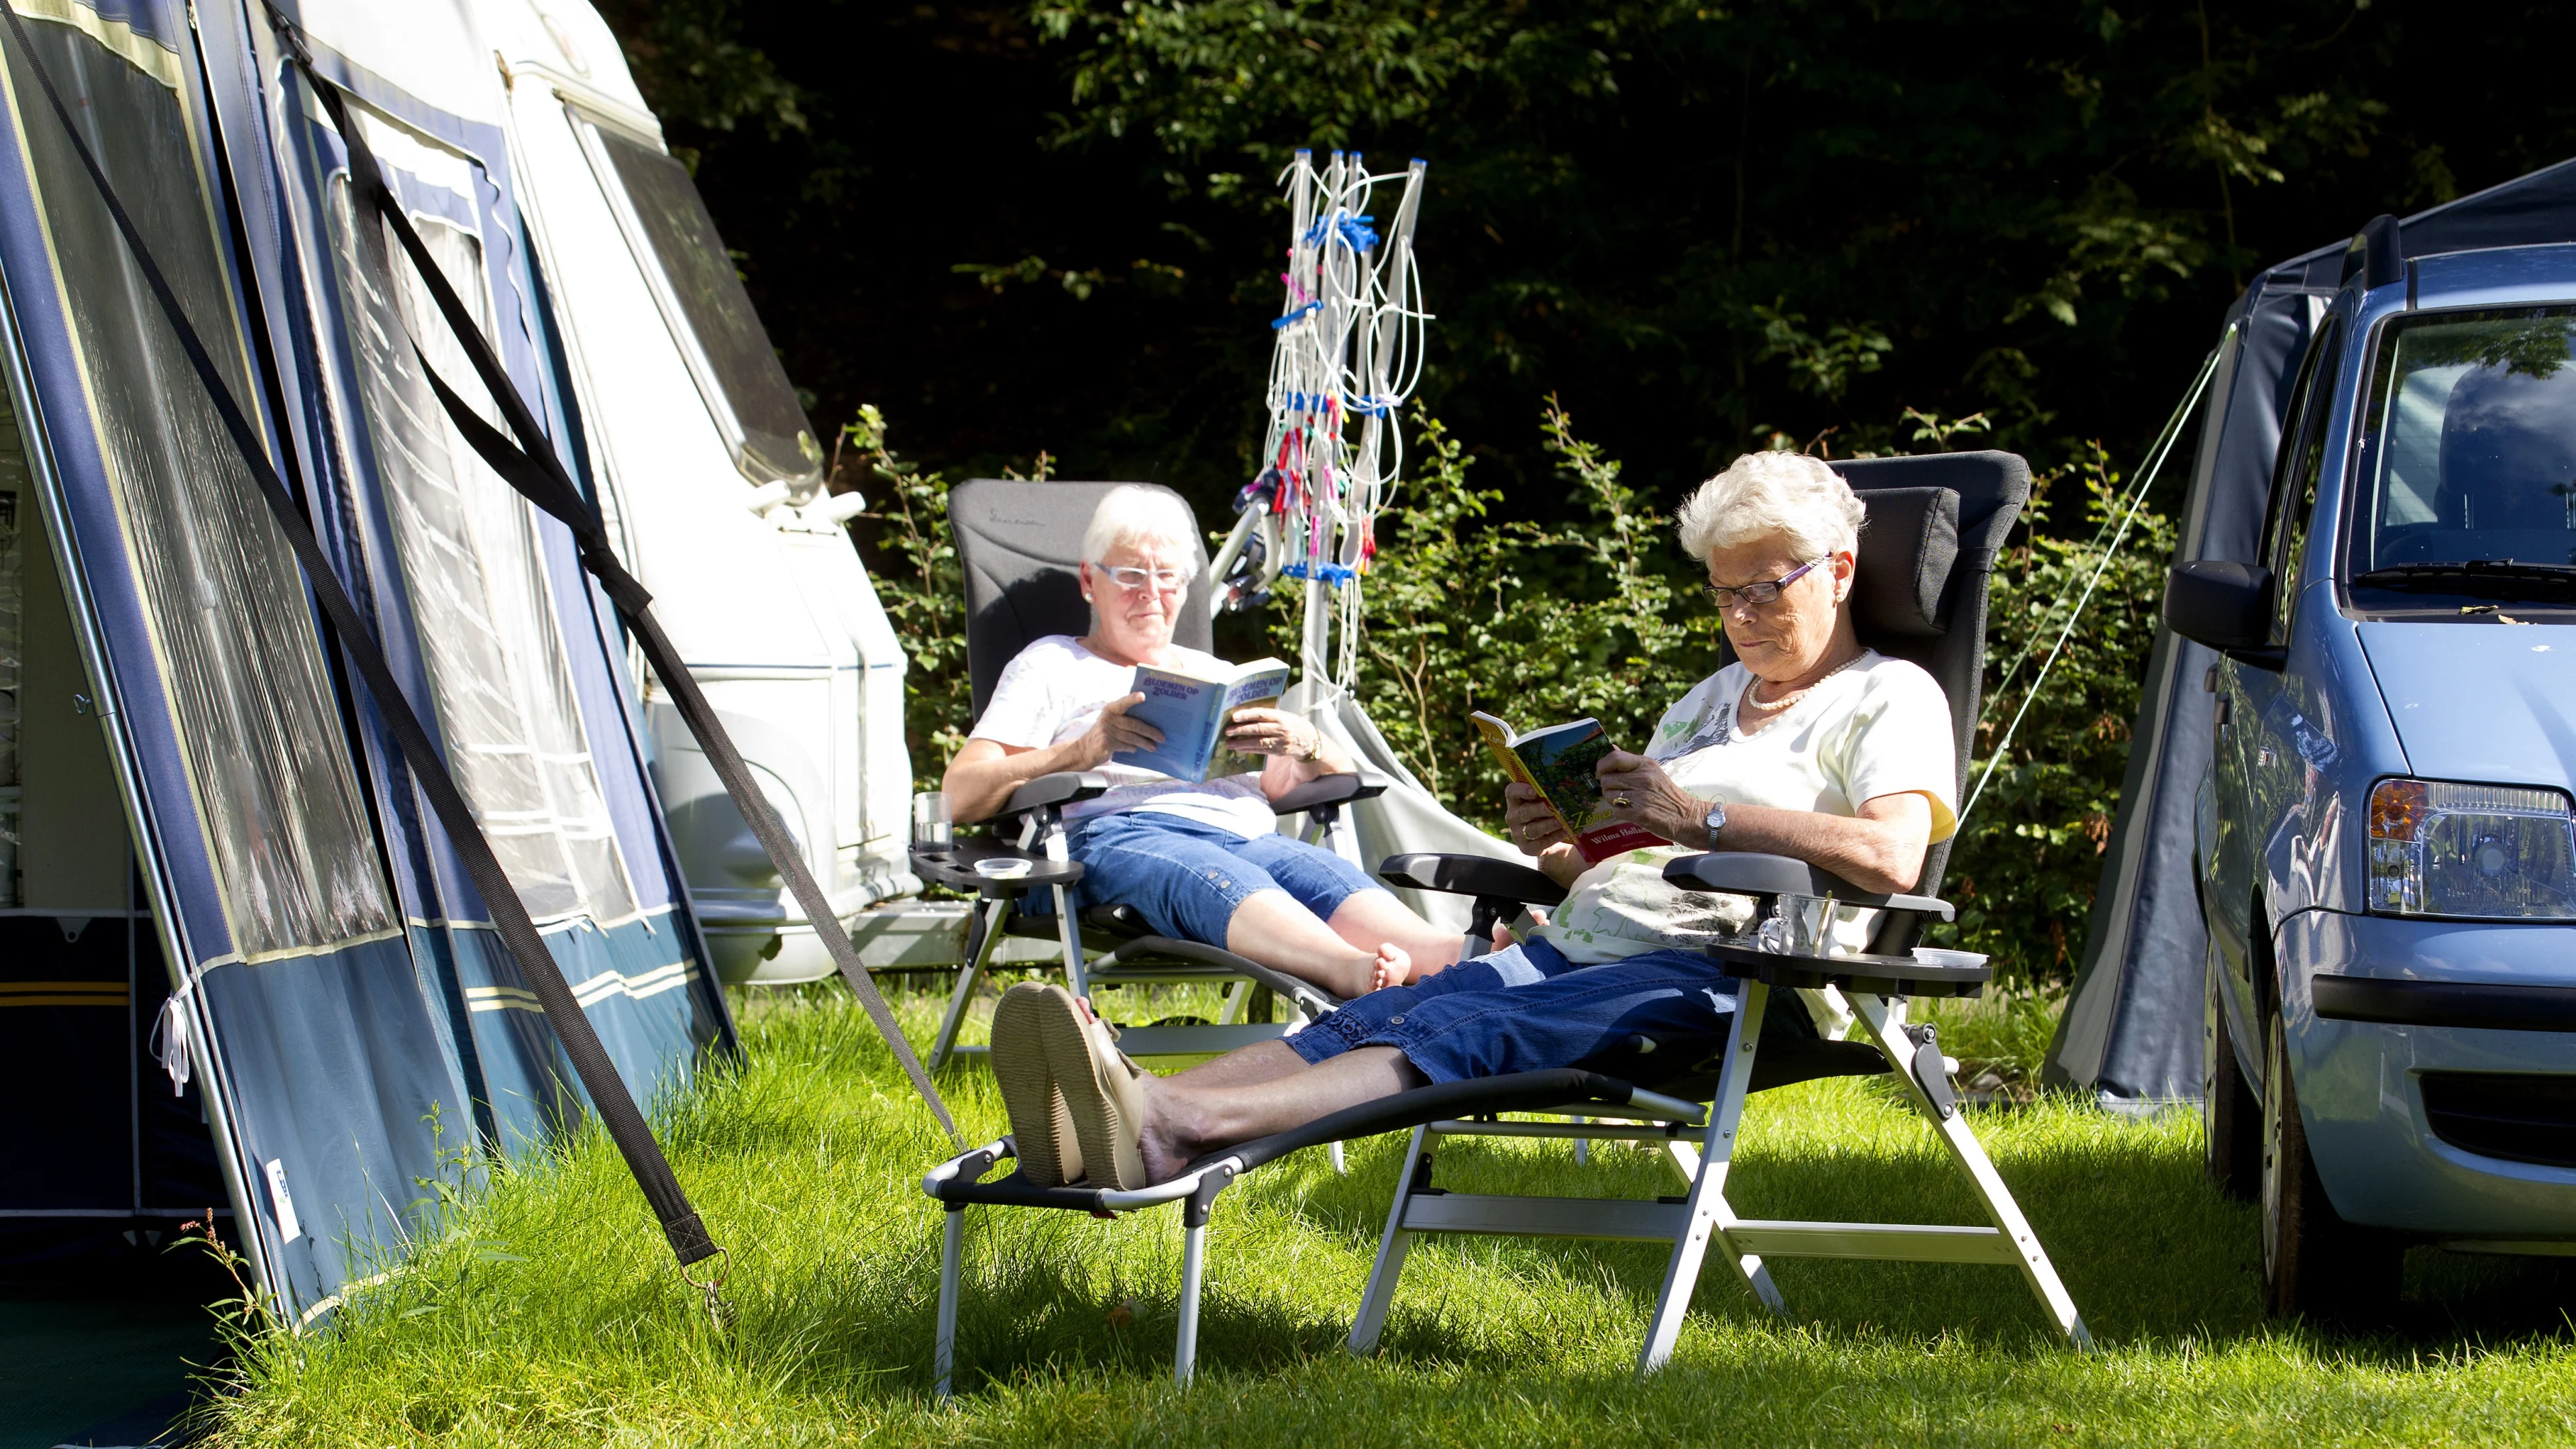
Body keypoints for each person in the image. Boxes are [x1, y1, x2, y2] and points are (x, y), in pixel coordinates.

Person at [989, 452, 1963, 1190]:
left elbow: (1891, 856)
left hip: (1740, 977)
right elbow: (1630, 860)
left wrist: (1701, 814)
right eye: (1723, 590)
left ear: (1837, 571)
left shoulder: (1889, 697)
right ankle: (1124, 1119)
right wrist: (1558, 842)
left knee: (1472, 1023)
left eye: (1766, 587)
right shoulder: (1710, 701)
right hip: (1598, 942)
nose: (1742, 613)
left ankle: (1162, 1124)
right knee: (1378, 1012)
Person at [944, 484, 1466, 1006]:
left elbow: (1295, 784)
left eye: (1168, 576)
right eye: (1130, 574)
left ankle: (1462, 955)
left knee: (1315, 870)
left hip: (1245, 830)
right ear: (1089, 581)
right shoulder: (1052, 665)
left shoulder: (1218, 676)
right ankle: (1347, 972)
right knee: (1210, 870)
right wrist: (1079, 753)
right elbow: (959, 795)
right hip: (1118, 835)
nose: (1151, 592)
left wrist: (1305, 743)